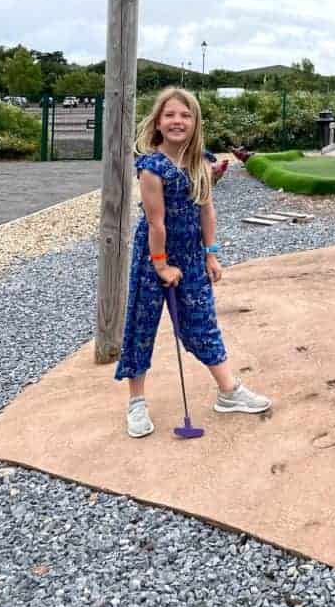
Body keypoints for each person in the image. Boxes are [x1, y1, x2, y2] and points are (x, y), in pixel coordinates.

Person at [115, 87, 271, 437]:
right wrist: (160, 266)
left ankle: (229, 392)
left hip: (190, 255)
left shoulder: (202, 162)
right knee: (142, 326)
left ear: (195, 122)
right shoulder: (151, 167)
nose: (177, 121)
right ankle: (136, 401)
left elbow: (207, 210)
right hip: (153, 255)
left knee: (202, 321)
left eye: (185, 115)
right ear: (158, 122)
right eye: (169, 115)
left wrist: (210, 254)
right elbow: (156, 223)